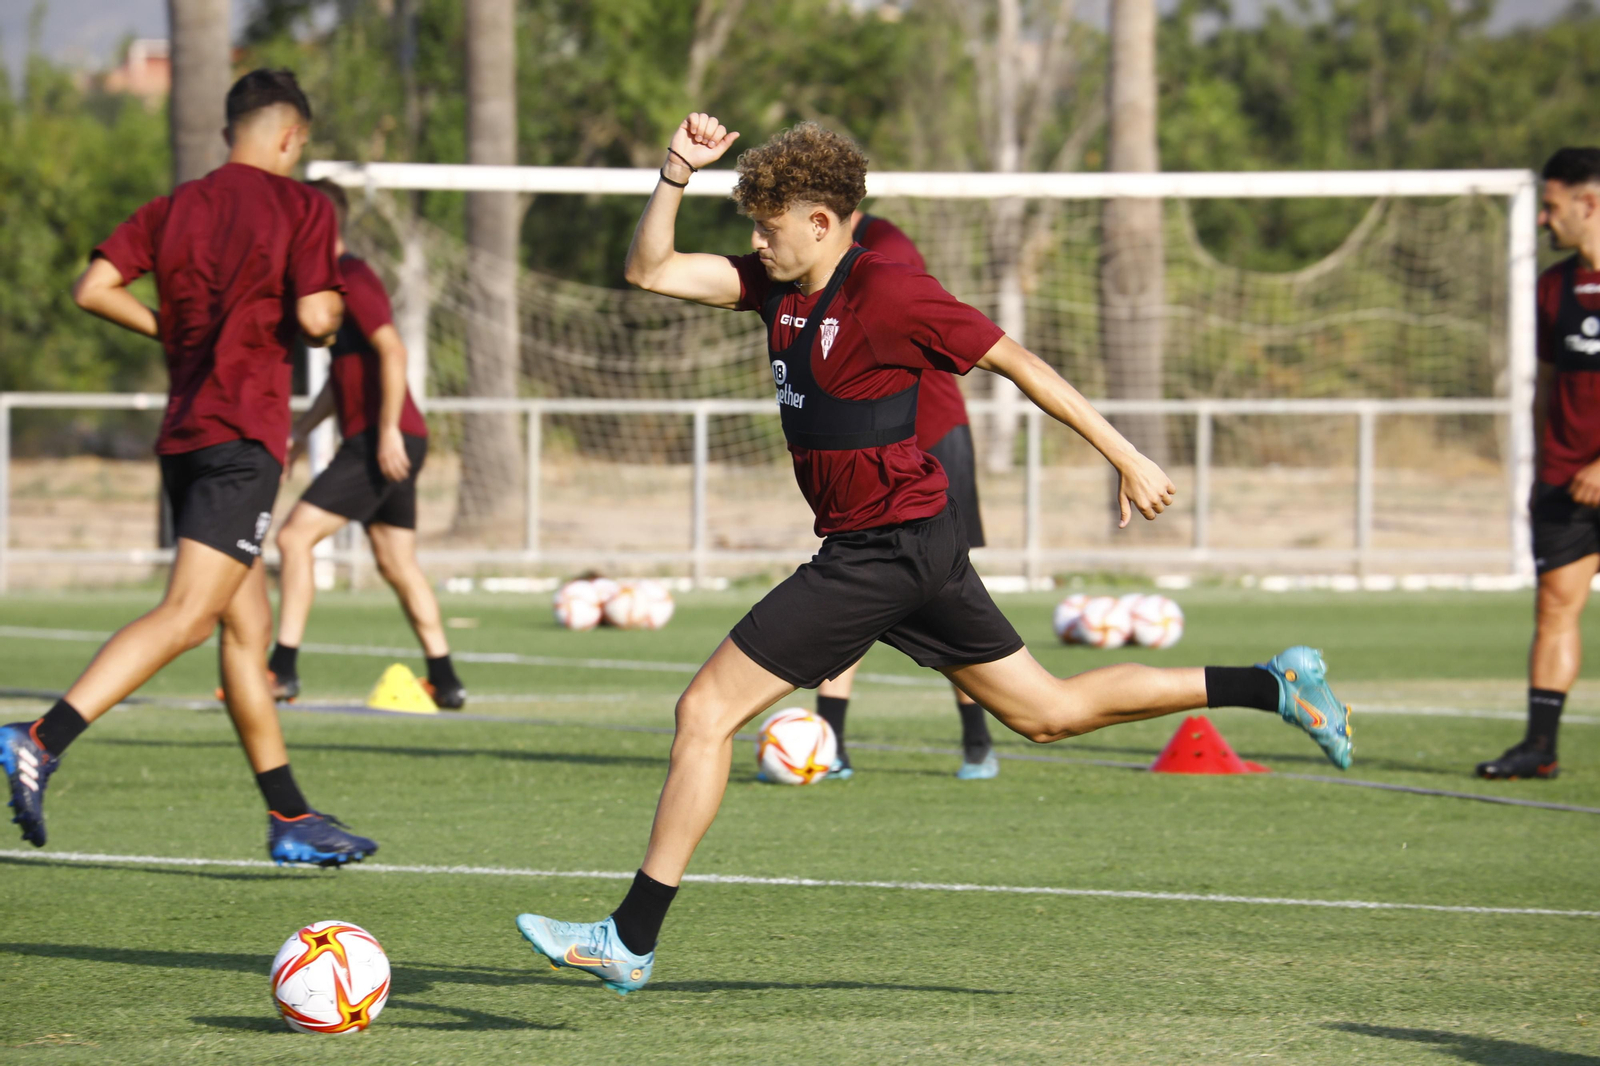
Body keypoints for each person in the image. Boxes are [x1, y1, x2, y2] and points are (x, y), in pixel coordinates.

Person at [513, 114, 1351, 996]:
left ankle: (630, 938)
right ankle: (1273, 684)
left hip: (883, 550)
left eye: (770, 226)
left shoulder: (892, 291)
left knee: (704, 714)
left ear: (824, 223)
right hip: (909, 541)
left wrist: (1127, 453)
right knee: (1048, 713)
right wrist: (676, 173)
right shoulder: (775, 287)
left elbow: (1020, 363)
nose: (756, 240)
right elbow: (648, 269)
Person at [0, 70, 379, 866]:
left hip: (185, 438)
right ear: (290, 137)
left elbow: (92, 287)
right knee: (188, 616)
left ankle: (291, 817)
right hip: (243, 438)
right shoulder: (304, 205)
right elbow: (315, 316)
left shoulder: (175, 208)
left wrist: (170, 336)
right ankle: (41, 735)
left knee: (248, 630)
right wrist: (337, 307)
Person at [811, 210, 999, 780]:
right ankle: (831, 744)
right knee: (855, 585)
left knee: (948, 592)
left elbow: (897, 309)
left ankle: (976, 739)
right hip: (875, 448)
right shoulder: (799, 263)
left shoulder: (885, 250)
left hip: (934, 434)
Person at [267, 179, 466, 710]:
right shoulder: (328, 286)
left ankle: (281, 669)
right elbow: (342, 378)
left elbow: (392, 350)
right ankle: (445, 681)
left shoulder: (352, 276)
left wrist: (384, 432)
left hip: (383, 440)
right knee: (397, 562)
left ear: (318, 223)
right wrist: (301, 431)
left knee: (292, 539)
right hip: (392, 438)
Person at [1477, 146, 1600, 781]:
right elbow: (1548, 386)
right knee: (1554, 605)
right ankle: (1539, 747)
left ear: (1590, 202)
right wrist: (1545, 465)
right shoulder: (1554, 286)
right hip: (1565, 478)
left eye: (1551, 207)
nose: (1543, 220)